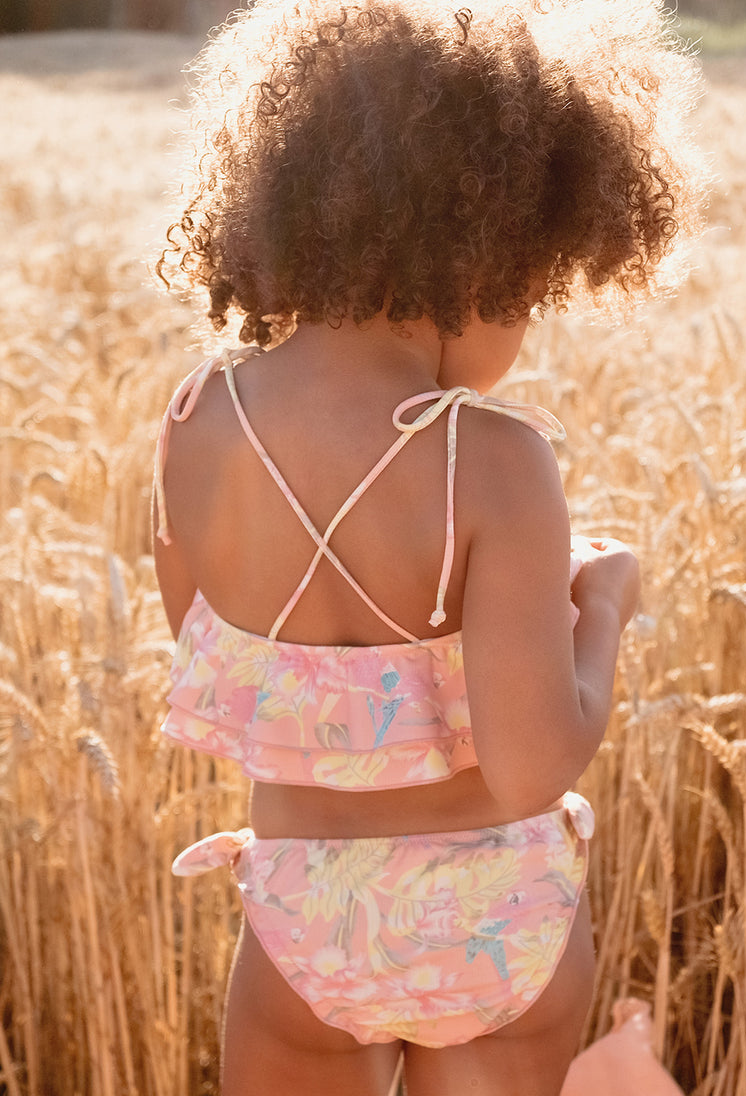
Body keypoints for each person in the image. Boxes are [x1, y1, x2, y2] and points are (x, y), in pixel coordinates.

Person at [153, 1, 701, 1093]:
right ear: (479, 257)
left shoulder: (194, 420)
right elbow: (534, 760)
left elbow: (244, 673)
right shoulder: (487, 455)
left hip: (304, 916)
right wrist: (600, 605)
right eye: (533, 291)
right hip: (492, 917)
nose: (525, 328)